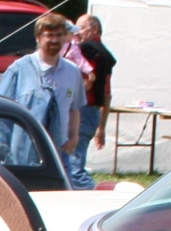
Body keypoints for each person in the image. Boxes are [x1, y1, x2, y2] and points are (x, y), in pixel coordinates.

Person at [0, 12, 87, 175]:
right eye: (49, 35)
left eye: (59, 35)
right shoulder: (18, 69)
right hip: (23, 156)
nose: (54, 40)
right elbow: (2, 115)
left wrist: (73, 138)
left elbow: (74, 109)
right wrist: (4, 153)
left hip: (59, 154)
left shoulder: (73, 72)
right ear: (38, 38)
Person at [69, 14, 115, 190]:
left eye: (81, 27)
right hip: (92, 112)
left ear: (94, 29)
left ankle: (93, 196)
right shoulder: (105, 54)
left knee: (73, 166)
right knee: (73, 162)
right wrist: (101, 127)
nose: (77, 32)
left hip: (81, 110)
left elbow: (86, 84)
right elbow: (107, 94)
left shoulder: (86, 51)